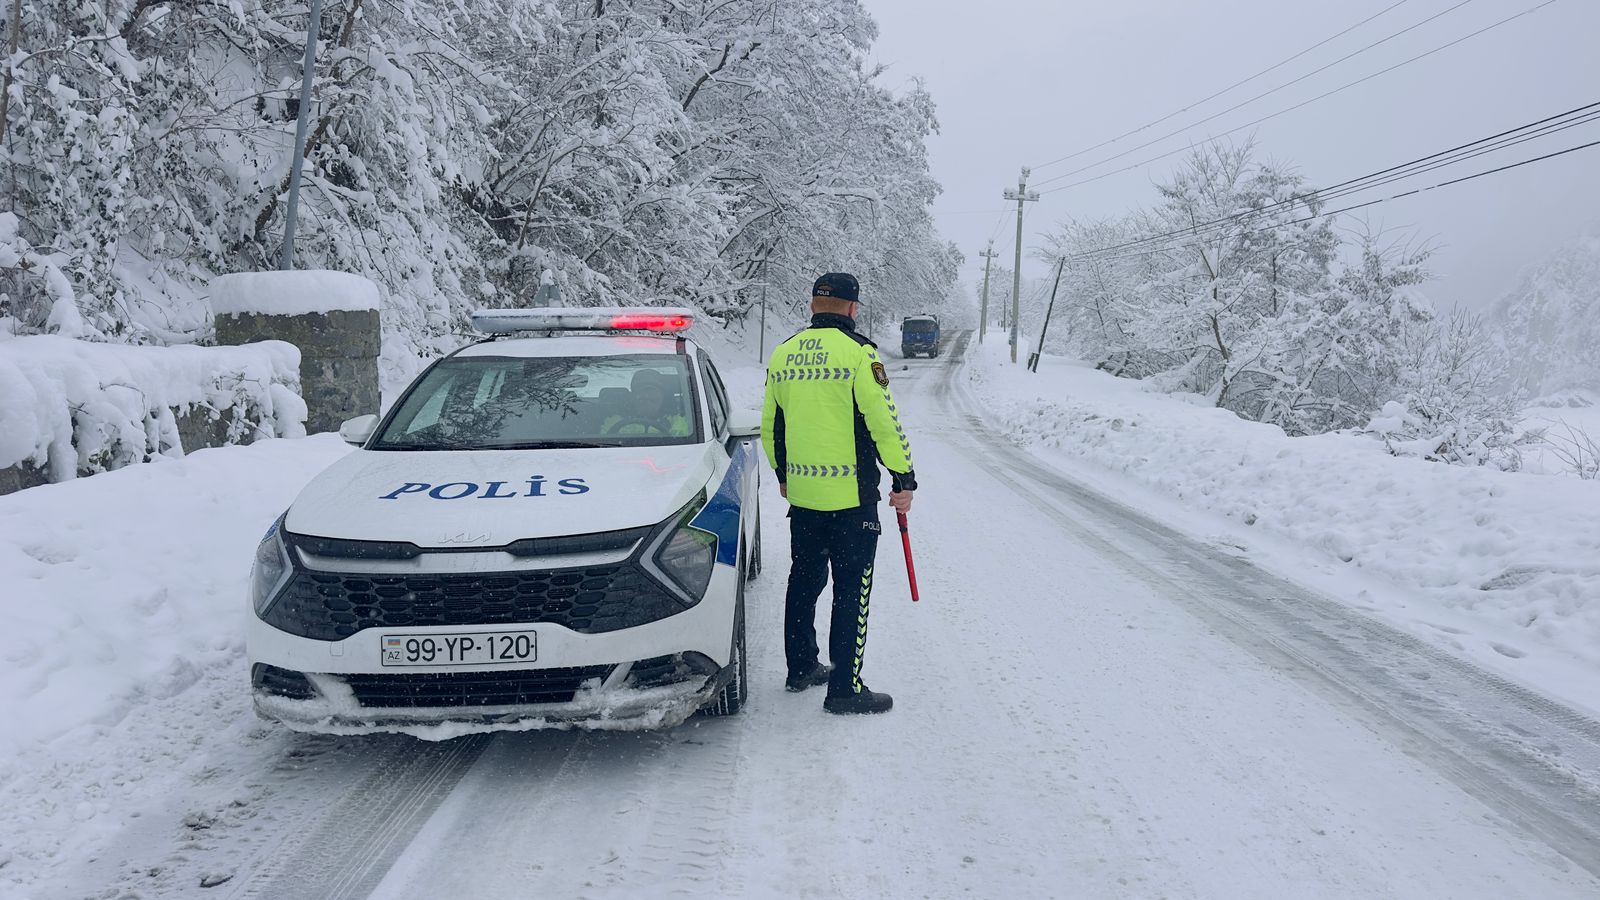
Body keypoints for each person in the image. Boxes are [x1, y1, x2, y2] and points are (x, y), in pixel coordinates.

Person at [760, 272, 917, 715]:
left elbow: (772, 426)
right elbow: (883, 422)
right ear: (853, 308)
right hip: (852, 501)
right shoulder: (860, 354)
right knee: (851, 590)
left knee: (804, 581)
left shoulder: (784, 353)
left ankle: (802, 668)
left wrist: (783, 476)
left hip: (804, 498)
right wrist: (903, 477)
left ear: (812, 306)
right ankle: (845, 689)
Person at [603, 369, 690, 436]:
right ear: (632, 396)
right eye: (641, 391)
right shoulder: (615, 421)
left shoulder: (676, 423)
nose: (646, 397)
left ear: (663, 396)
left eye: (652, 391)